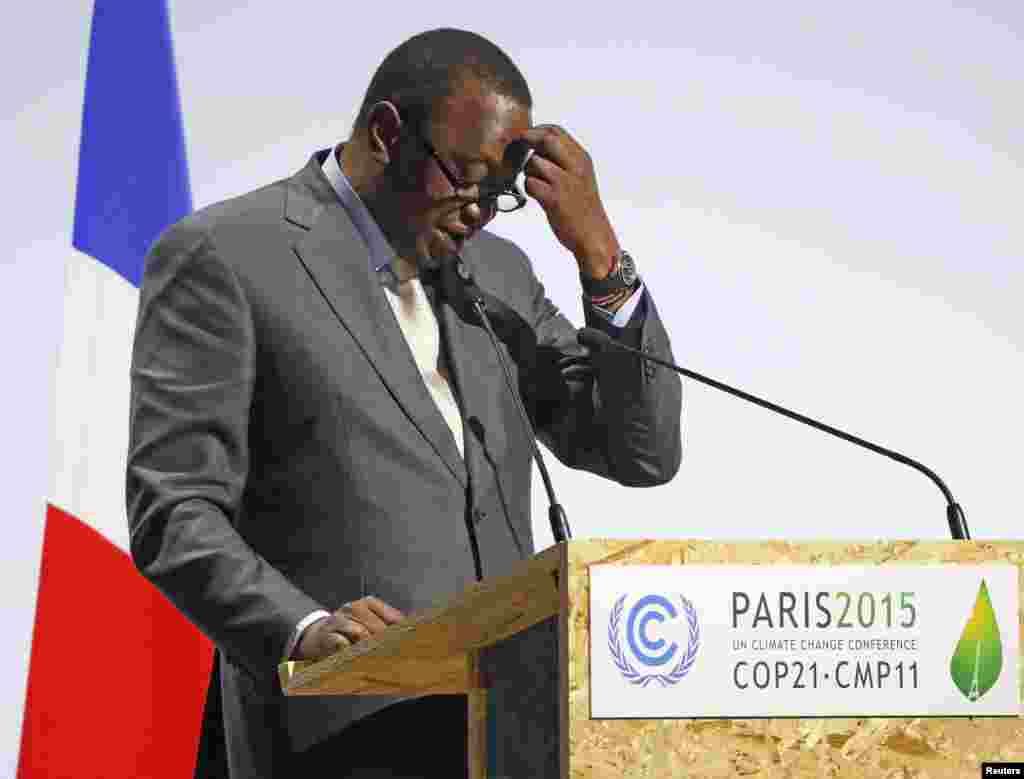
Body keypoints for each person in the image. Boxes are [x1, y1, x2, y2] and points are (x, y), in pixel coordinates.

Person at [127, 28, 681, 779]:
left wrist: (601, 258)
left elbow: (638, 449)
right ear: (387, 132)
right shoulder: (226, 256)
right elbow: (174, 510)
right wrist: (302, 628)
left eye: (502, 192)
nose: (482, 209)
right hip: (334, 740)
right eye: (467, 175)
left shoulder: (498, 275)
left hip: (508, 737)